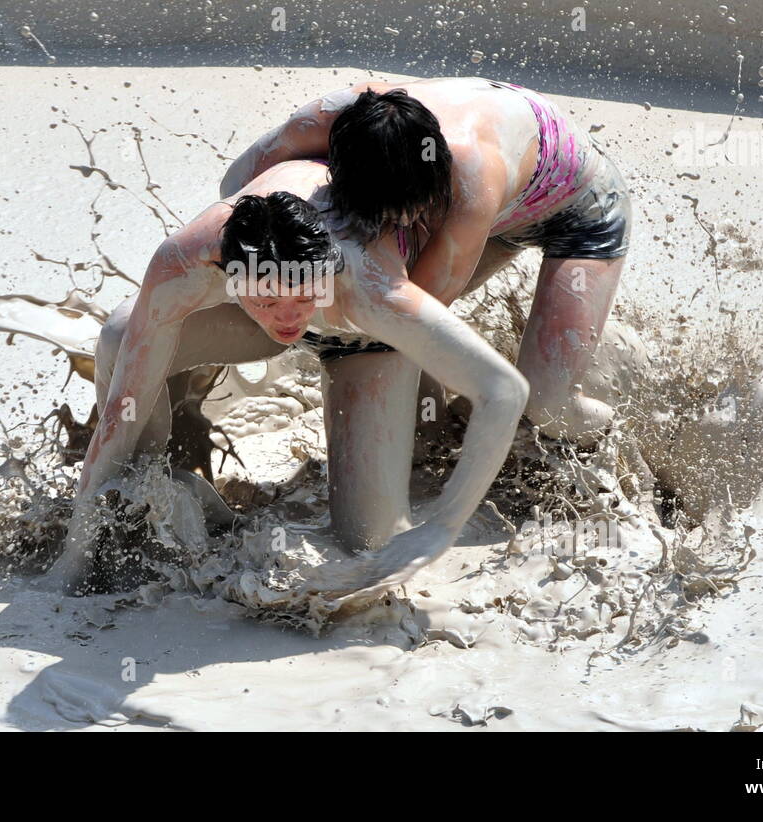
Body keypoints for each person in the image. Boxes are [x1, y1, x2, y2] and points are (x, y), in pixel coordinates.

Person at [42, 159, 531, 598]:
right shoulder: (185, 260)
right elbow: (118, 417)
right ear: (228, 274)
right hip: (258, 317)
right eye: (266, 298)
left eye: (301, 295)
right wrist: (72, 558)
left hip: (368, 341)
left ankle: (425, 410)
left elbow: (504, 389)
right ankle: (155, 491)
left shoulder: (376, 293)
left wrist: (442, 527)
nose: (287, 315)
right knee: (121, 334)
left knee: (367, 542)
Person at [218, 76, 632, 443]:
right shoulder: (321, 122)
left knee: (548, 404)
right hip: (500, 193)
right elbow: (235, 189)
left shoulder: (472, 173)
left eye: (412, 214)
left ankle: (622, 440)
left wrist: (315, 324)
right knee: (399, 341)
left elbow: (418, 313)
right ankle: (437, 433)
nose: (402, 224)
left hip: (580, 212)